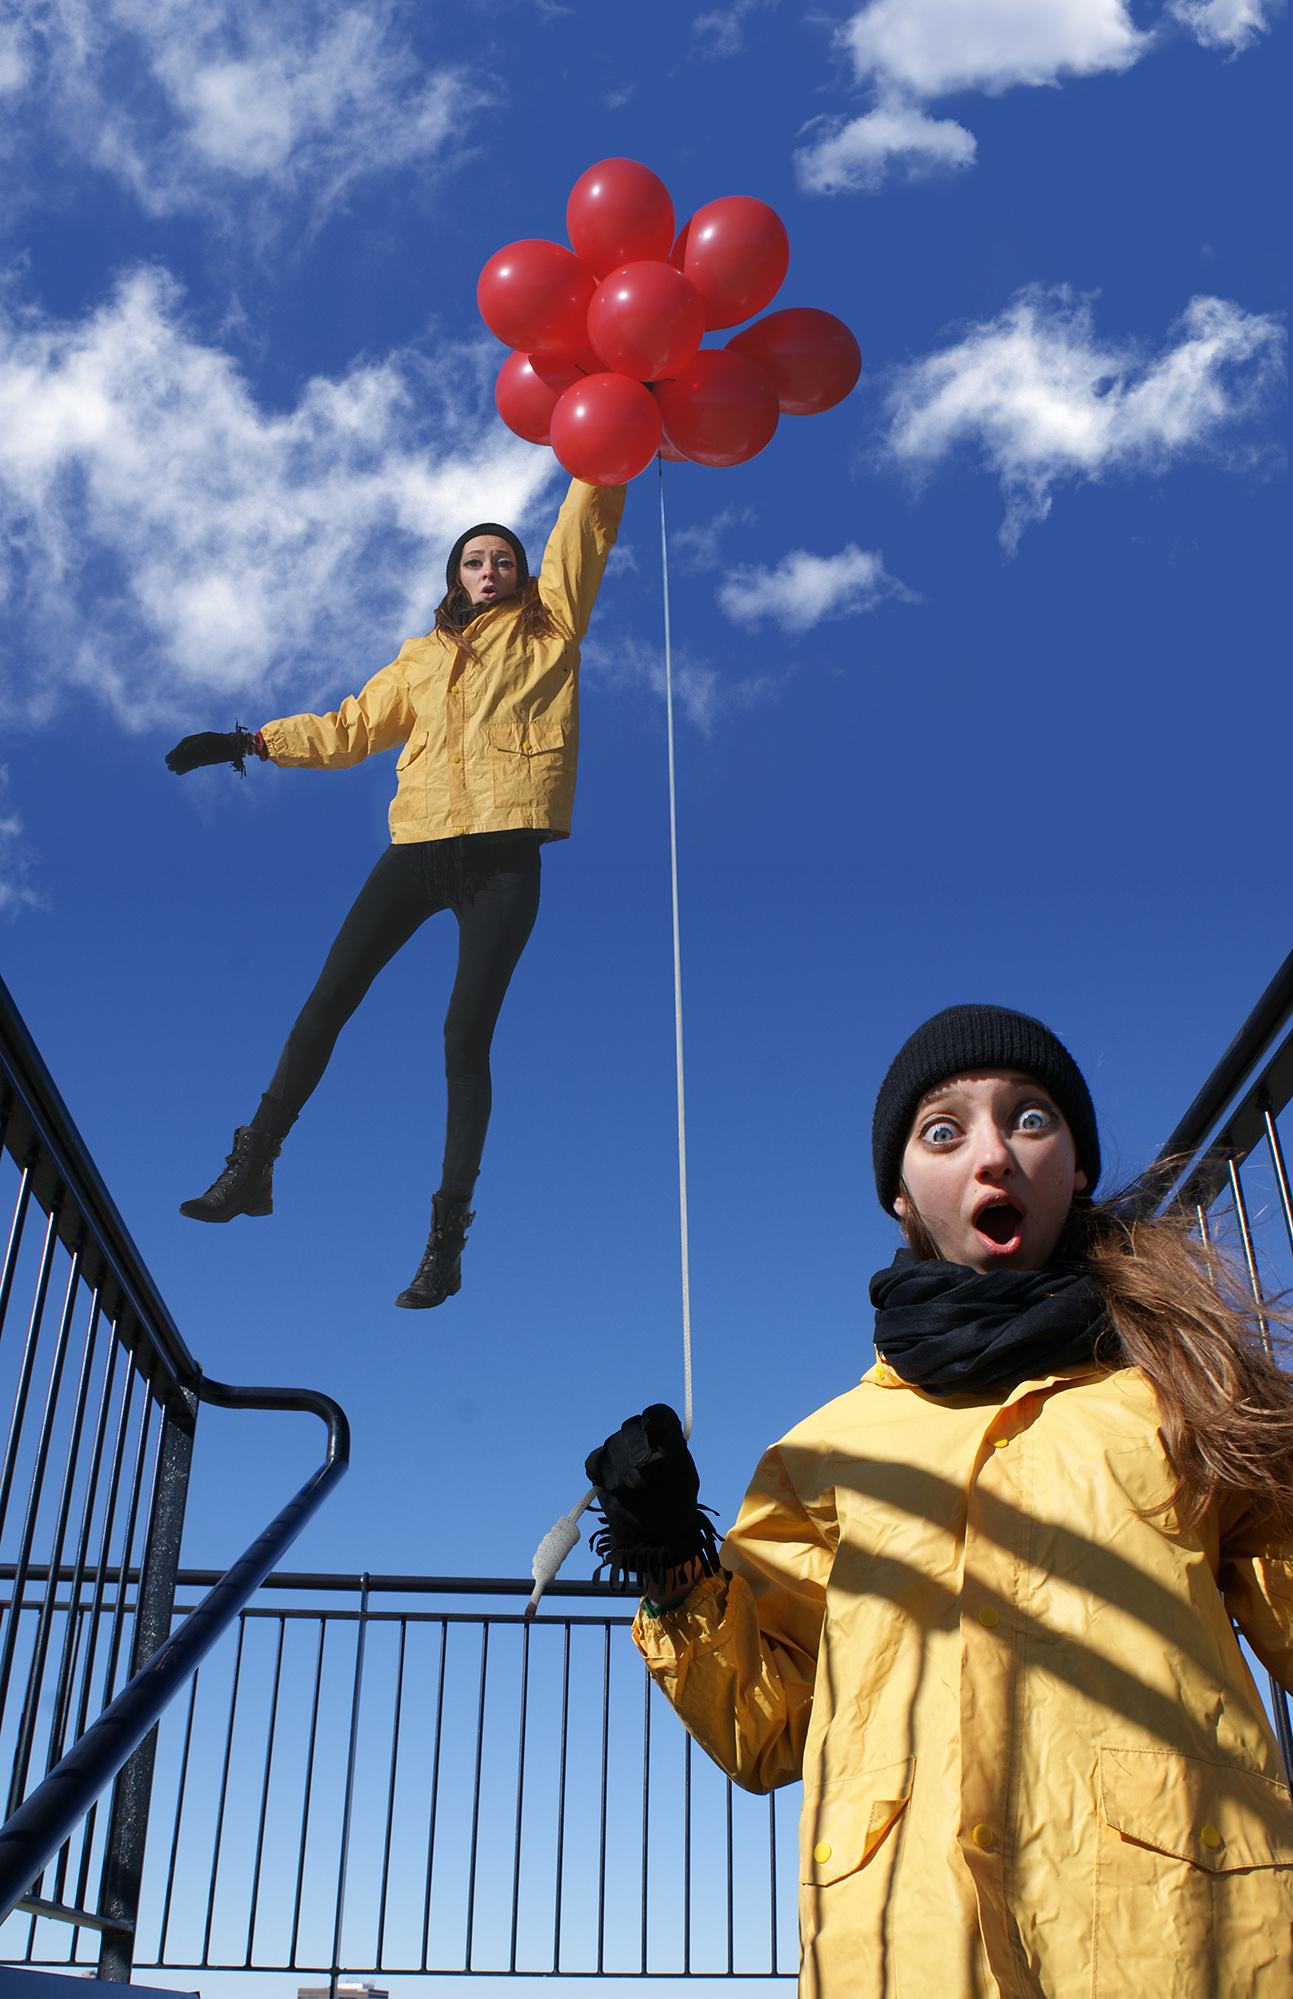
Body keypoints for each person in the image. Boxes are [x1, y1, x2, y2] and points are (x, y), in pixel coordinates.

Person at [585, 1004, 1293, 1997]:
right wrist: (664, 1552)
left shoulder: (1192, 1394)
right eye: (944, 1131)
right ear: (903, 1197)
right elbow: (767, 1725)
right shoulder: (826, 1452)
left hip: (1179, 1951)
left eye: (1032, 1118)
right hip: (904, 1958)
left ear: (1078, 1168)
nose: (994, 1153)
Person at [166, 476, 625, 1307]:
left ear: (524, 573)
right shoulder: (419, 658)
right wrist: (249, 740)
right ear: (456, 576)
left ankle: (444, 1240)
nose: (490, 570)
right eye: (475, 561)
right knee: (327, 998)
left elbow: (583, 521)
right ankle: (253, 1163)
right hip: (417, 845)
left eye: (504, 559)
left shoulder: (549, 624)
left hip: (503, 850)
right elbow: (348, 729)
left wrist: (608, 443)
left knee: (462, 1036)